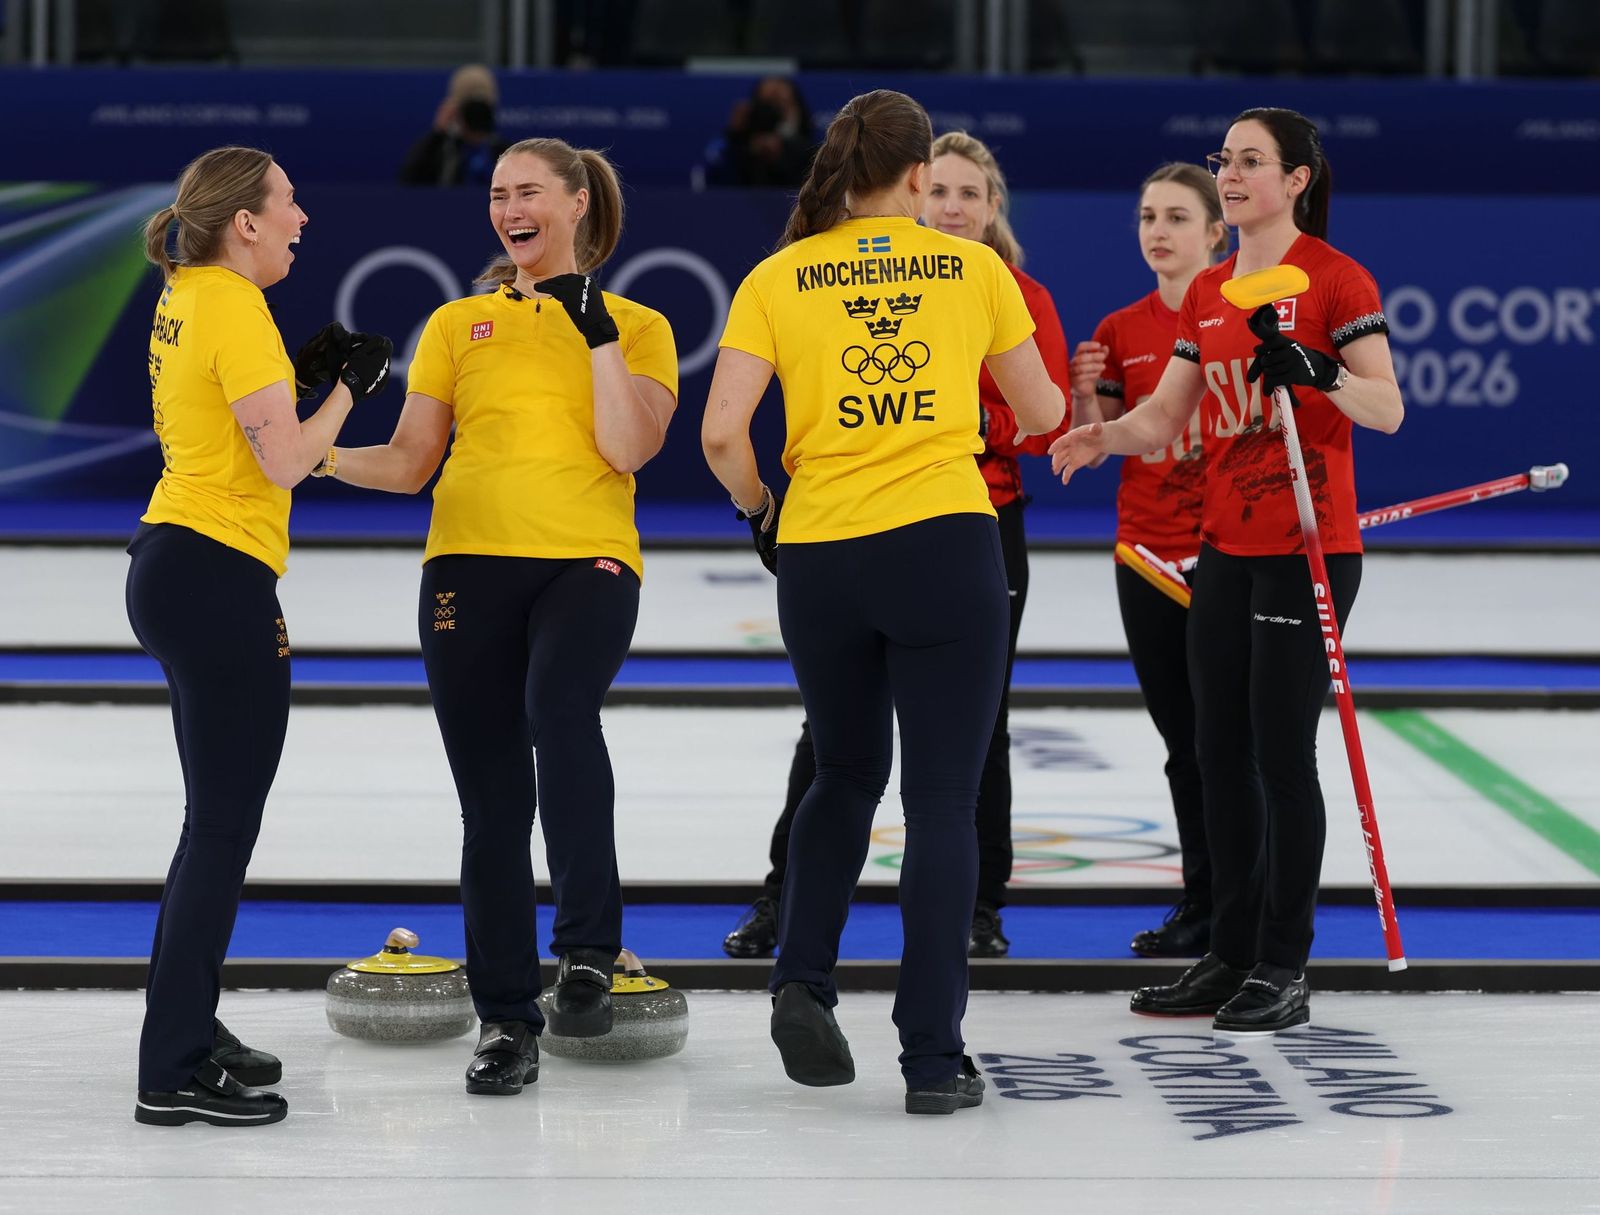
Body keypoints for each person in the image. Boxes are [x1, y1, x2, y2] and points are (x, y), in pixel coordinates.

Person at [702, 90, 1065, 1114]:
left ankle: (801, 980)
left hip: (821, 549)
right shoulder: (974, 267)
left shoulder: (778, 274)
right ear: (917, 177)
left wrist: (762, 508)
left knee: (843, 771)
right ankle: (932, 1058)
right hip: (944, 541)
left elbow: (722, 435)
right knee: (942, 799)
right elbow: (1040, 411)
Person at [327, 137, 677, 1096]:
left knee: (560, 710)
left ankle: (587, 953)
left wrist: (595, 333)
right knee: (490, 801)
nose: (509, 209)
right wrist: (311, 452)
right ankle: (508, 1021)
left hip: (586, 558)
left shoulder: (639, 325)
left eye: (527, 192)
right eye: (497, 194)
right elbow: (410, 463)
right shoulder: (456, 322)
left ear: (575, 203)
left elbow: (629, 447)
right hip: (466, 563)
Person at [1051, 108, 1403, 1035]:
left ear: (1297, 180)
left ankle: (1284, 964)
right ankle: (1231, 951)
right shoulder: (1209, 290)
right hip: (1225, 551)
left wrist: (1319, 370)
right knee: (1219, 754)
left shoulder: (1337, 278)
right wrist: (1102, 437)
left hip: (1306, 551)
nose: (1233, 175)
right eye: (1226, 160)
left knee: (1282, 755)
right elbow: (1165, 417)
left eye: (1252, 162)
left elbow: (1388, 409)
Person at [129, 146, 392, 1126]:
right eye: (287, 201)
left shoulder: (188, 291)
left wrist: (300, 381)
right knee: (221, 827)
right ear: (245, 221)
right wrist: (349, 390)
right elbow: (283, 462)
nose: (301, 217)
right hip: (216, 574)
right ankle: (171, 1067)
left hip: (173, 559)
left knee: (210, 822)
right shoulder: (235, 307)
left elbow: (234, 425)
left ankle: (186, 1025)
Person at [1067, 163, 1228, 959]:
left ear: (1216, 232)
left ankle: (1253, 907)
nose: (1157, 231)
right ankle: (1204, 903)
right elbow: (1095, 443)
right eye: (1147, 217)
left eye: (1176, 217)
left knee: (1237, 742)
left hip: (1230, 552)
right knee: (1184, 742)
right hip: (1147, 556)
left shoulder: (1242, 315)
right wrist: (1081, 398)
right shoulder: (1121, 330)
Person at [399, 64, 511, 187]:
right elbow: (408, 181)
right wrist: (438, 132)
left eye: (481, 110)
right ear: (456, 111)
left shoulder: (504, 153)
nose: (476, 115)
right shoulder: (443, 151)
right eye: (470, 109)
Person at [703, 75, 817, 188]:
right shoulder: (729, 149)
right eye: (766, 103)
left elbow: (806, 191)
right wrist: (735, 137)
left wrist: (781, 157)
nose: (772, 112)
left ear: (797, 109)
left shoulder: (809, 154)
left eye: (780, 104)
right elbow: (716, 186)